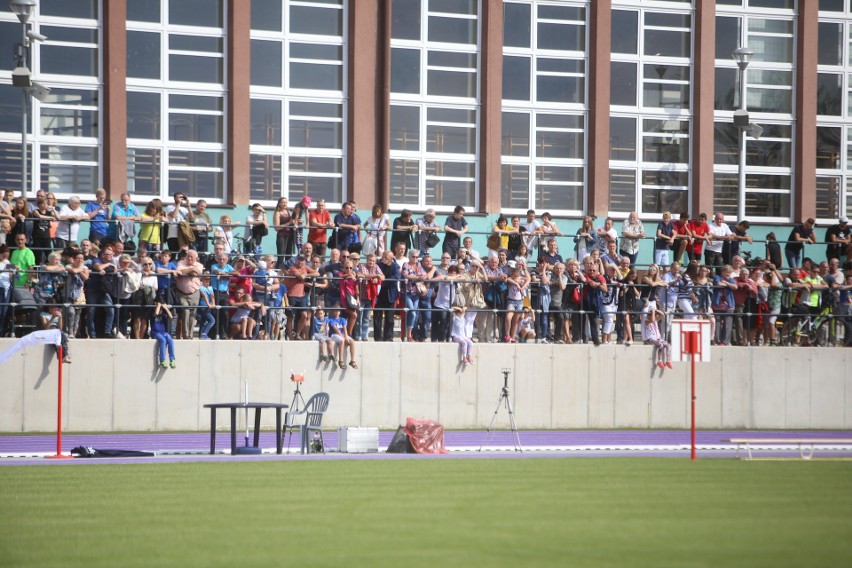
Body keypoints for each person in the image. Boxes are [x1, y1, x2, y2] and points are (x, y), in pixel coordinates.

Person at [173, 249, 204, 340]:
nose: (189, 258)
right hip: (181, 293)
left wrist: (187, 271)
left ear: (196, 258)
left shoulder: (200, 265)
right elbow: (179, 272)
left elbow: (197, 273)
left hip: (194, 293)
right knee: (185, 311)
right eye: (188, 256)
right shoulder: (181, 263)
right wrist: (191, 269)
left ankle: (190, 336)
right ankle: (186, 335)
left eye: (192, 257)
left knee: (192, 314)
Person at [373, 250, 401, 342]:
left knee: (389, 318)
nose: (383, 259)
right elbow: (375, 276)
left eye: (386, 257)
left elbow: (396, 278)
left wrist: (384, 280)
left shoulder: (395, 266)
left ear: (391, 258)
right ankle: (377, 337)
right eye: (383, 257)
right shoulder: (378, 265)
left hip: (390, 295)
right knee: (377, 317)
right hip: (379, 295)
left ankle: (388, 337)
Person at [712, 265, 737, 345]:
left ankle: (725, 341)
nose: (728, 274)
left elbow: (735, 287)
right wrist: (729, 285)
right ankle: (717, 340)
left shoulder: (731, 280)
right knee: (717, 324)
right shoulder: (717, 277)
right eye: (727, 272)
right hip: (718, 304)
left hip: (729, 305)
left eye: (729, 272)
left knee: (728, 324)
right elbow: (718, 284)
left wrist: (726, 283)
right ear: (722, 272)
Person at [643, 304, 672, 369]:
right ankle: (659, 360)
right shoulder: (647, 321)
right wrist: (653, 312)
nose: (656, 316)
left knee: (669, 346)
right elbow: (652, 320)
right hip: (651, 339)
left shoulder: (655, 320)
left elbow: (662, 315)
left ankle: (668, 361)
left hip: (658, 338)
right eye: (653, 315)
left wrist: (655, 310)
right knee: (661, 345)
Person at [151, 298, 176, 368]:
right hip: (155, 332)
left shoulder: (163, 315)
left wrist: (166, 308)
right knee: (163, 340)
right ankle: (162, 360)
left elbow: (171, 317)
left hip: (163, 332)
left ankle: (172, 360)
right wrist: (158, 305)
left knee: (170, 340)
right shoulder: (153, 313)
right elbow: (156, 313)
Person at [273, 197, 294, 265]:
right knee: (281, 255)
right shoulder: (278, 213)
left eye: (286, 202)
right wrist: (288, 223)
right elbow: (276, 228)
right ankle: (279, 271)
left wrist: (298, 221)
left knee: (289, 255)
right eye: (283, 202)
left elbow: (293, 221)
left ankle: (287, 272)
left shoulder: (289, 212)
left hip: (289, 235)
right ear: (279, 203)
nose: (285, 204)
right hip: (281, 235)